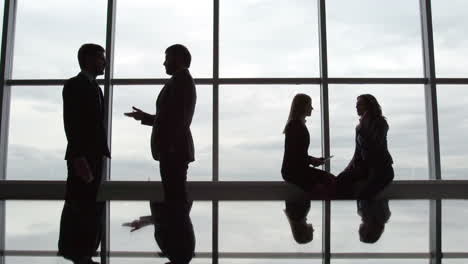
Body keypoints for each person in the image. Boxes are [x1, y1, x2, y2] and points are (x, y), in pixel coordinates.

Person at [124, 44, 196, 264]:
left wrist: (170, 147)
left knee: (175, 199)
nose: (164, 63)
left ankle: (180, 252)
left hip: (173, 150)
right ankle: (179, 251)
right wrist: (146, 117)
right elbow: (170, 118)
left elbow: (180, 120)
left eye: (167, 58)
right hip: (172, 149)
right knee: (175, 198)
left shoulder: (181, 81)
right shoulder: (180, 81)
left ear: (178, 58)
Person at [58, 43, 110, 264]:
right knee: (79, 203)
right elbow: (71, 123)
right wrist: (78, 157)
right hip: (82, 156)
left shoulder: (96, 89)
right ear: (88, 59)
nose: (104, 62)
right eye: (101, 58)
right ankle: (76, 250)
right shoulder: (74, 86)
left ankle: (84, 249)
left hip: (94, 156)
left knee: (89, 203)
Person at [336, 94, 394, 243]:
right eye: (357, 104)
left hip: (381, 169)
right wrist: (347, 171)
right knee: (340, 181)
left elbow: (376, 148)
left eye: (360, 104)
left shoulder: (380, 123)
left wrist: (364, 126)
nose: (356, 107)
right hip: (367, 168)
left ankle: (371, 211)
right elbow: (357, 154)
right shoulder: (360, 127)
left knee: (364, 194)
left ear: (369, 106)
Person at [281, 93, 336, 244]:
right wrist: (312, 161)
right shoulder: (296, 126)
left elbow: (297, 154)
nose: (312, 108)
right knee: (329, 181)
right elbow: (296, 156)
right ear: (303, 106)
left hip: (295, 169)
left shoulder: (296, 125)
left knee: (329, 180)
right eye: (310, 104)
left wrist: (312, 160)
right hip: (295, 170)